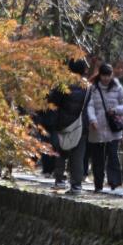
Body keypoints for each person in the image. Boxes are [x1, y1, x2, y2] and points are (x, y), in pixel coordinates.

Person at [46, 58, 91, 194]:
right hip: (81, 125)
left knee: (61, 153)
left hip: (63, 124)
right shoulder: (88, 87)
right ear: (83, 70)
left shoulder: (63, 85)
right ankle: (76, 185)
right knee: (78, 155)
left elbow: (52, 102)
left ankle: (60, 180)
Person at [86, 62, 123, 191]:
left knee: (113, 155)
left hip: (113, 128)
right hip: (97, 128)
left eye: (108, 75)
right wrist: (92, 119)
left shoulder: (118, 87)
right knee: (98, 158)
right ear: (100, 75)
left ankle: (114, 182)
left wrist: (115, 110)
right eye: (104, 75)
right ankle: (98, 184)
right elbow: (90, 106)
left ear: (111, 75)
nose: (106, 78)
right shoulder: (93, 88)